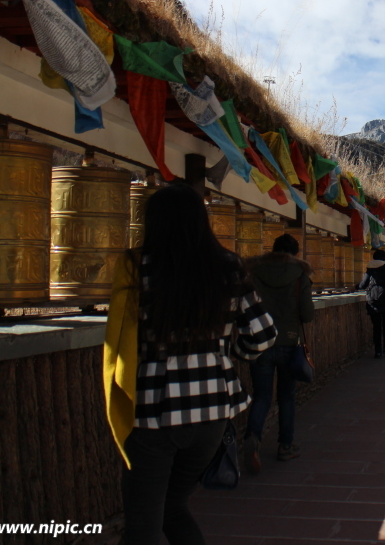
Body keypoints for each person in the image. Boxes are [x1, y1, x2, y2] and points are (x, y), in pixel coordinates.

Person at [104, 184, 277, 545]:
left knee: (143, 525)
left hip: (152, 410)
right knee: (173, 508)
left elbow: (120, 335)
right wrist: (228, 357)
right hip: (213, 408)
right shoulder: (229, 265)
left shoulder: (136, 267)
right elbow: (262, 334)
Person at [243, 233, 315, 472]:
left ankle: (252, 439)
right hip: (288, 342)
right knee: (286, 396)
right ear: (295, 254)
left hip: (260, 342)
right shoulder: (300, 276)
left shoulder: (254, 273)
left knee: (262, 395)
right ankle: (285, 445)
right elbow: (307, 314)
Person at [357, 248, 385, 358]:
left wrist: (353, 288)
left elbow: (362, 285)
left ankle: (378, 351)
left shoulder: (370, 269)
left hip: (373, 302)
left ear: (374, 257)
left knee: (376, 327)